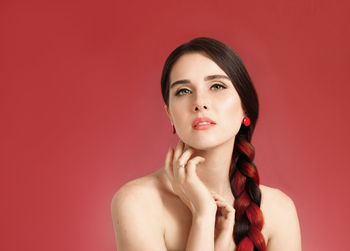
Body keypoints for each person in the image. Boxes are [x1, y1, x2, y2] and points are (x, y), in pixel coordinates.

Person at [111, 37, 302, 251]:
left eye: (217, 86)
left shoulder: (278, 210)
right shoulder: (137, 202)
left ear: (245, 108)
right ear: (169, 115)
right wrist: (203, 215)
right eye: (183, 91)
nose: (199, 102)